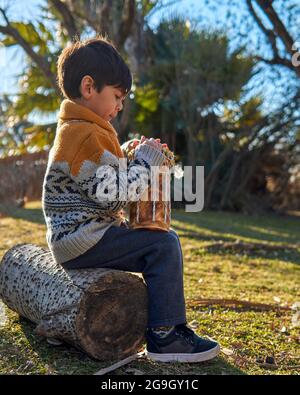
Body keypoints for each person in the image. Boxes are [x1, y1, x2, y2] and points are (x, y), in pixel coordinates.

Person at [42, 36, 220, 363]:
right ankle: (165, 337)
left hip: (80, 236)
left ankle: (168, 330)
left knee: (162, 242)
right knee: (163, 245)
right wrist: (145, 162)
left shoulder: (81, 130)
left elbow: (98, 178)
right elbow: (112, 197)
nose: (120, 106)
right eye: (117, 96)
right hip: (83, 239)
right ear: (89, 87)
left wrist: (127, 155)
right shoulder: (83, 134)